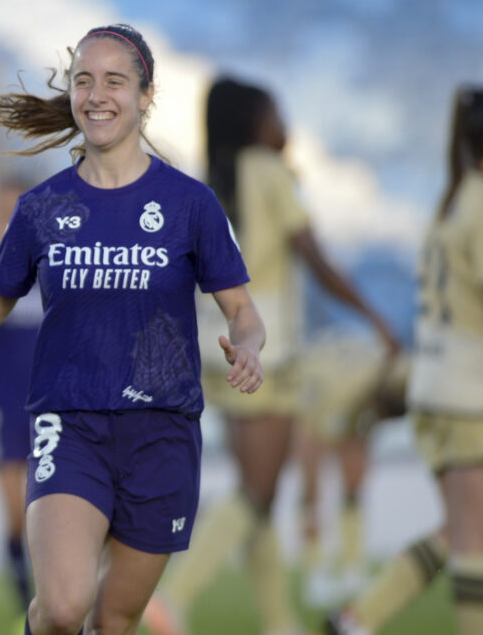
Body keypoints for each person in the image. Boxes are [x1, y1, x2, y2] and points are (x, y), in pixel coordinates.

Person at [0, 24, 266, 635]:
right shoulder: (40, 208)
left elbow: (242, 311)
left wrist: (247, 349)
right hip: (70, 427)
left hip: (162, 434)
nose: (96, 95)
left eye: (114, 81)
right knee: (64, 609)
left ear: (145, 96)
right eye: (83, 81)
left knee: (112, 621)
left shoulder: (190, 205)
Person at [144, 78, 400, 635]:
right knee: (259, 490)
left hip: (215, 351)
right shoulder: (271, 174)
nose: (286, 125)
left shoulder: (208, 180)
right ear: (255, 124)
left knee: (256, 490)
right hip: (269, 351)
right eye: (277, 113)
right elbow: (316, 258)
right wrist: (376, 317)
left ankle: (280, 622)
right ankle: (174, 598)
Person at [327, 86, 483, 635]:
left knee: (459, 532)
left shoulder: (454, 200)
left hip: (432, 388)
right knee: (477, 543)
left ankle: (358, 620)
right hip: (476, 394)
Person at [294, 332, 408, 609]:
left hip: (349, 390)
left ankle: (352, 572)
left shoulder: (392, 379)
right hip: (309, 397)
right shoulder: (341, 393)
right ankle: (315, 575)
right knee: (312, 489)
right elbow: (311, 449)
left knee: (355, 481)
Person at [0, 178, 42, 613]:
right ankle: (25, 608)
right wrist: (2, 242)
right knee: (15, 514)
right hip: (1, 396)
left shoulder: (52, 260)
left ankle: (50, 601)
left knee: (46, 510)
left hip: (48, 396)